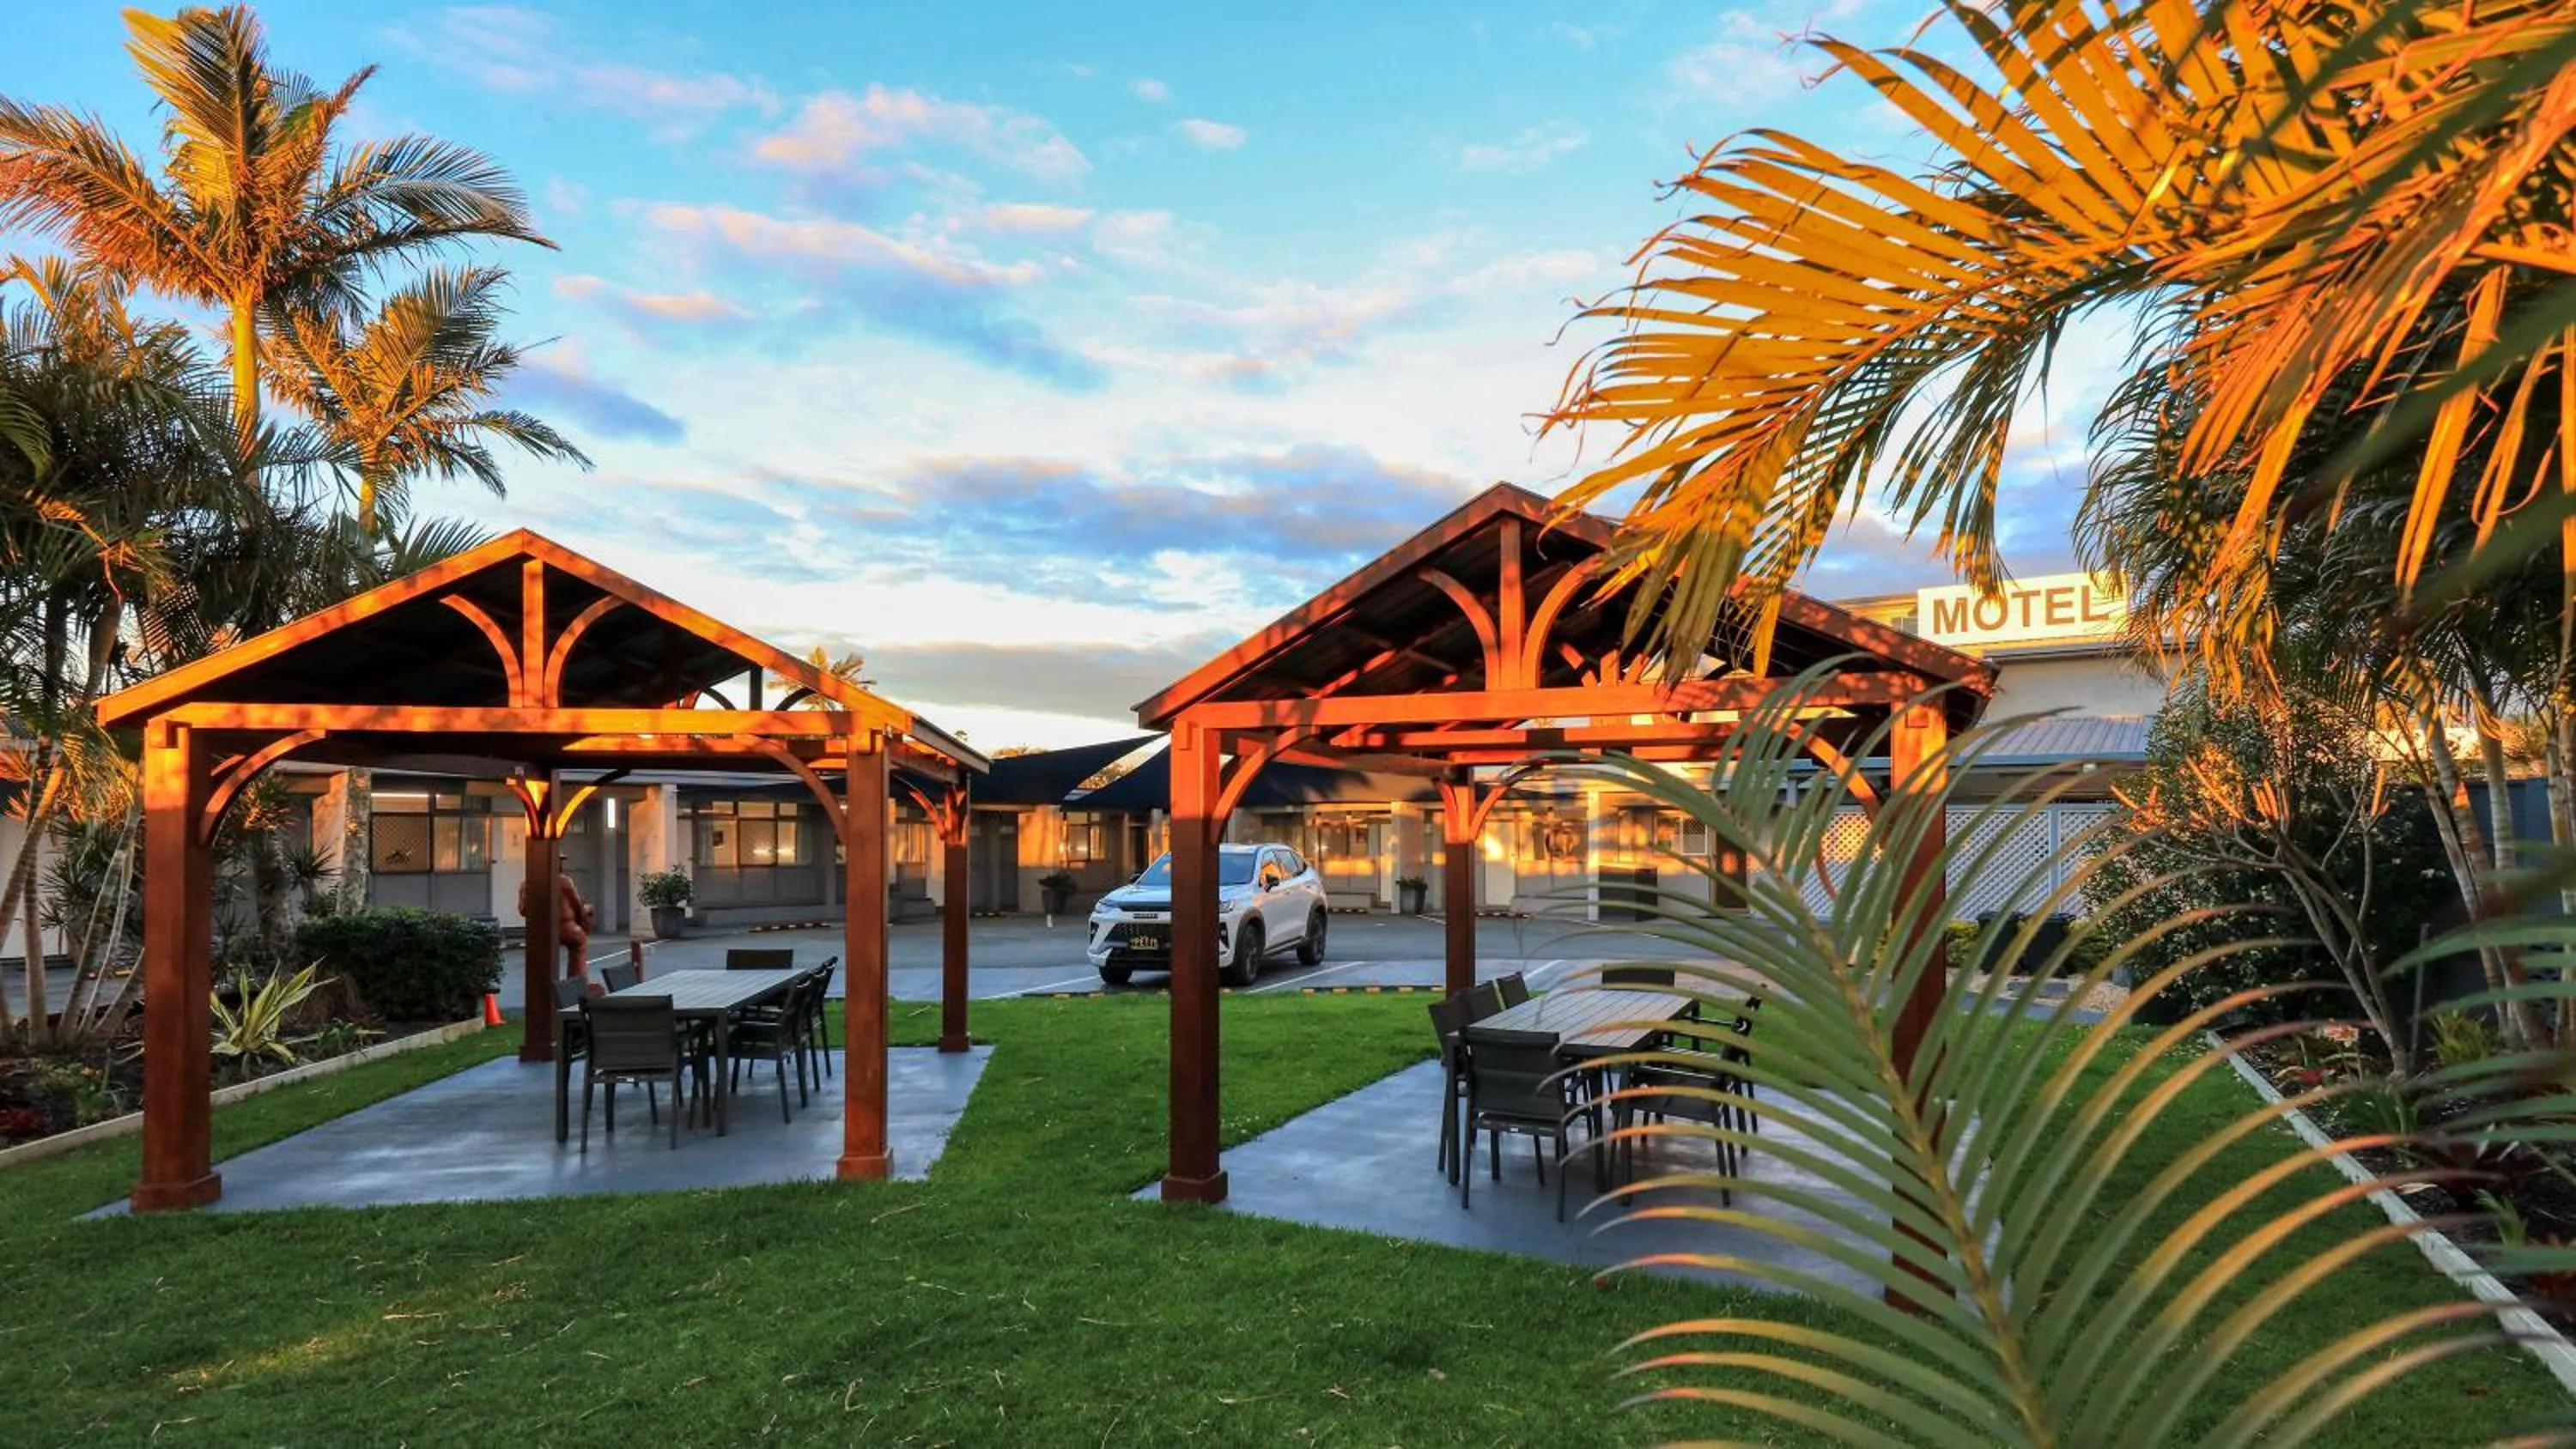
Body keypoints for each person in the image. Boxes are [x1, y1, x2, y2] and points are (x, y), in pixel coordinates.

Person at [518, 861, 595, 979]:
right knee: (580, 943)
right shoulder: (564, 881)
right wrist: (585, 917)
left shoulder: (526, 883)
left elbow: (523, 910)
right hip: (565, 927)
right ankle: (576, 980)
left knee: (541, 955)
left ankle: (543, 982)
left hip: (539, 931)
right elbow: (577, 906)